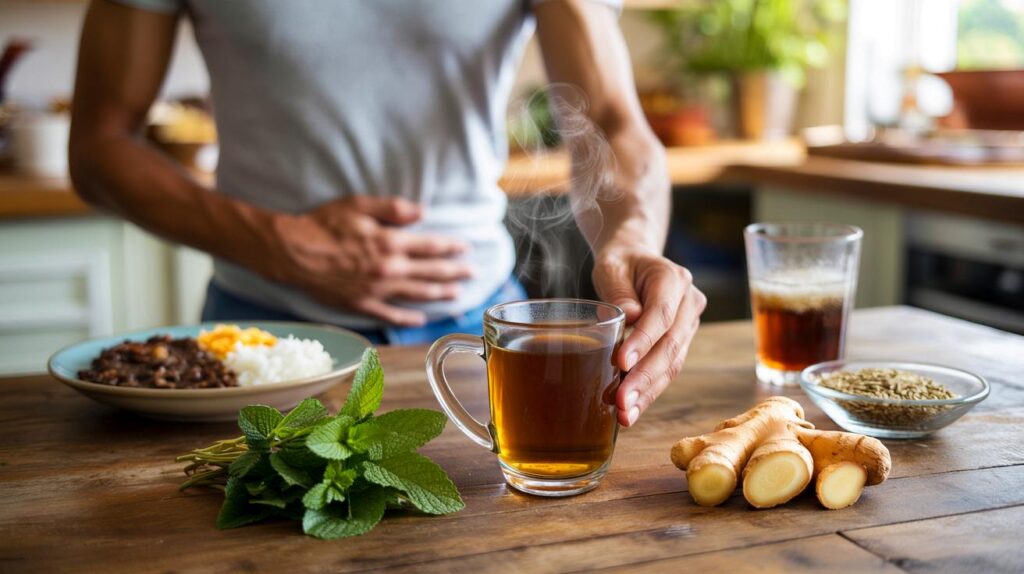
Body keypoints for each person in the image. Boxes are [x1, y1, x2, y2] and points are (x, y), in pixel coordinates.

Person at [69, 0, 706, 427]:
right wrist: (277, 242)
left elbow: (613, 121)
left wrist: (631, 243)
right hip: (263, 341)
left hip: (477, 336)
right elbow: (99, 145)